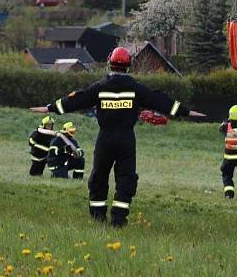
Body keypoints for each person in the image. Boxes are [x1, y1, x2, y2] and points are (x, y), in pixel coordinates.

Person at [30, 47, 205, 227]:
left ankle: (98, 216)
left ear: (109, 64)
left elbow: (77, 99)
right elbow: (159, 100)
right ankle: (119, 219)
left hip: (105, 138)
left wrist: (50, 108)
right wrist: (185, 111)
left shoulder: (99, 87)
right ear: (128, 66)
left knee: (99, 176)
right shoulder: (136, 88)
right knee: (126, 178)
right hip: (126, 139)